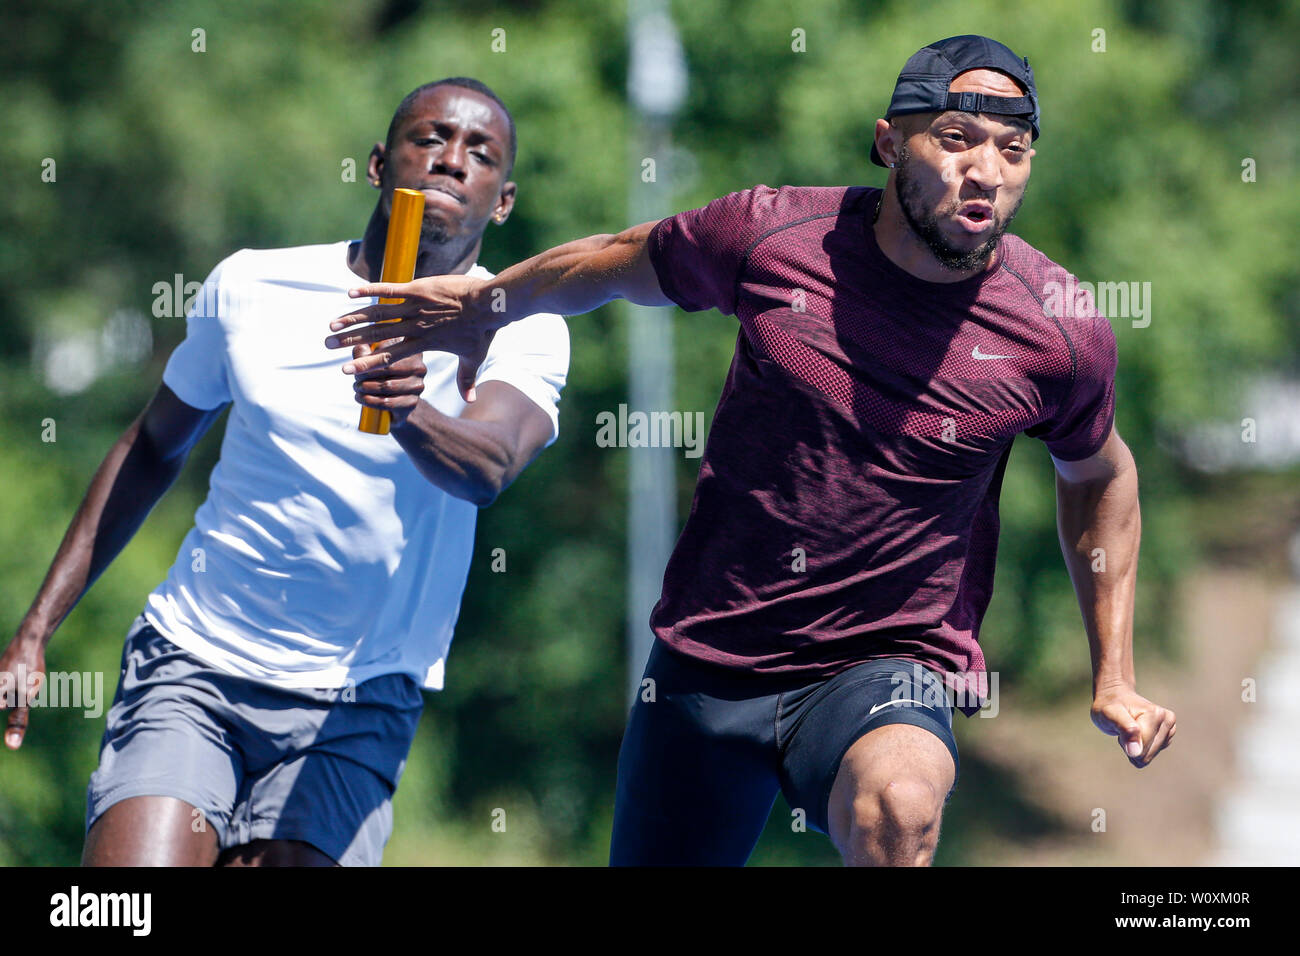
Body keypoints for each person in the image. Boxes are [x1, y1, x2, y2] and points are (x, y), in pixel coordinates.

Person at [327, 36, 1177, 867]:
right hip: (710, 655)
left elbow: (1101, 475)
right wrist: (487, 307)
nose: (986, 171)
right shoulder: (774, 237)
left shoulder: (1058, 329)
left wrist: (1114, 673)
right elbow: (617, 261)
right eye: (955, 141)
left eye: (1013, 150)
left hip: (887, 659)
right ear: (890, 142)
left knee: (902, 808)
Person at [0, 77, 569, 866]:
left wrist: (411, 415)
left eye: (480, 154)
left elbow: (489, 467)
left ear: (502, 201)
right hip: (195, 662)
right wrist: (35, 628)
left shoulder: (522, 326)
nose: (450, 161)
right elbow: (154, 446)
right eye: (430, 138)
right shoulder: (252, 286)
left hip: (359, 699)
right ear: (378, 164)